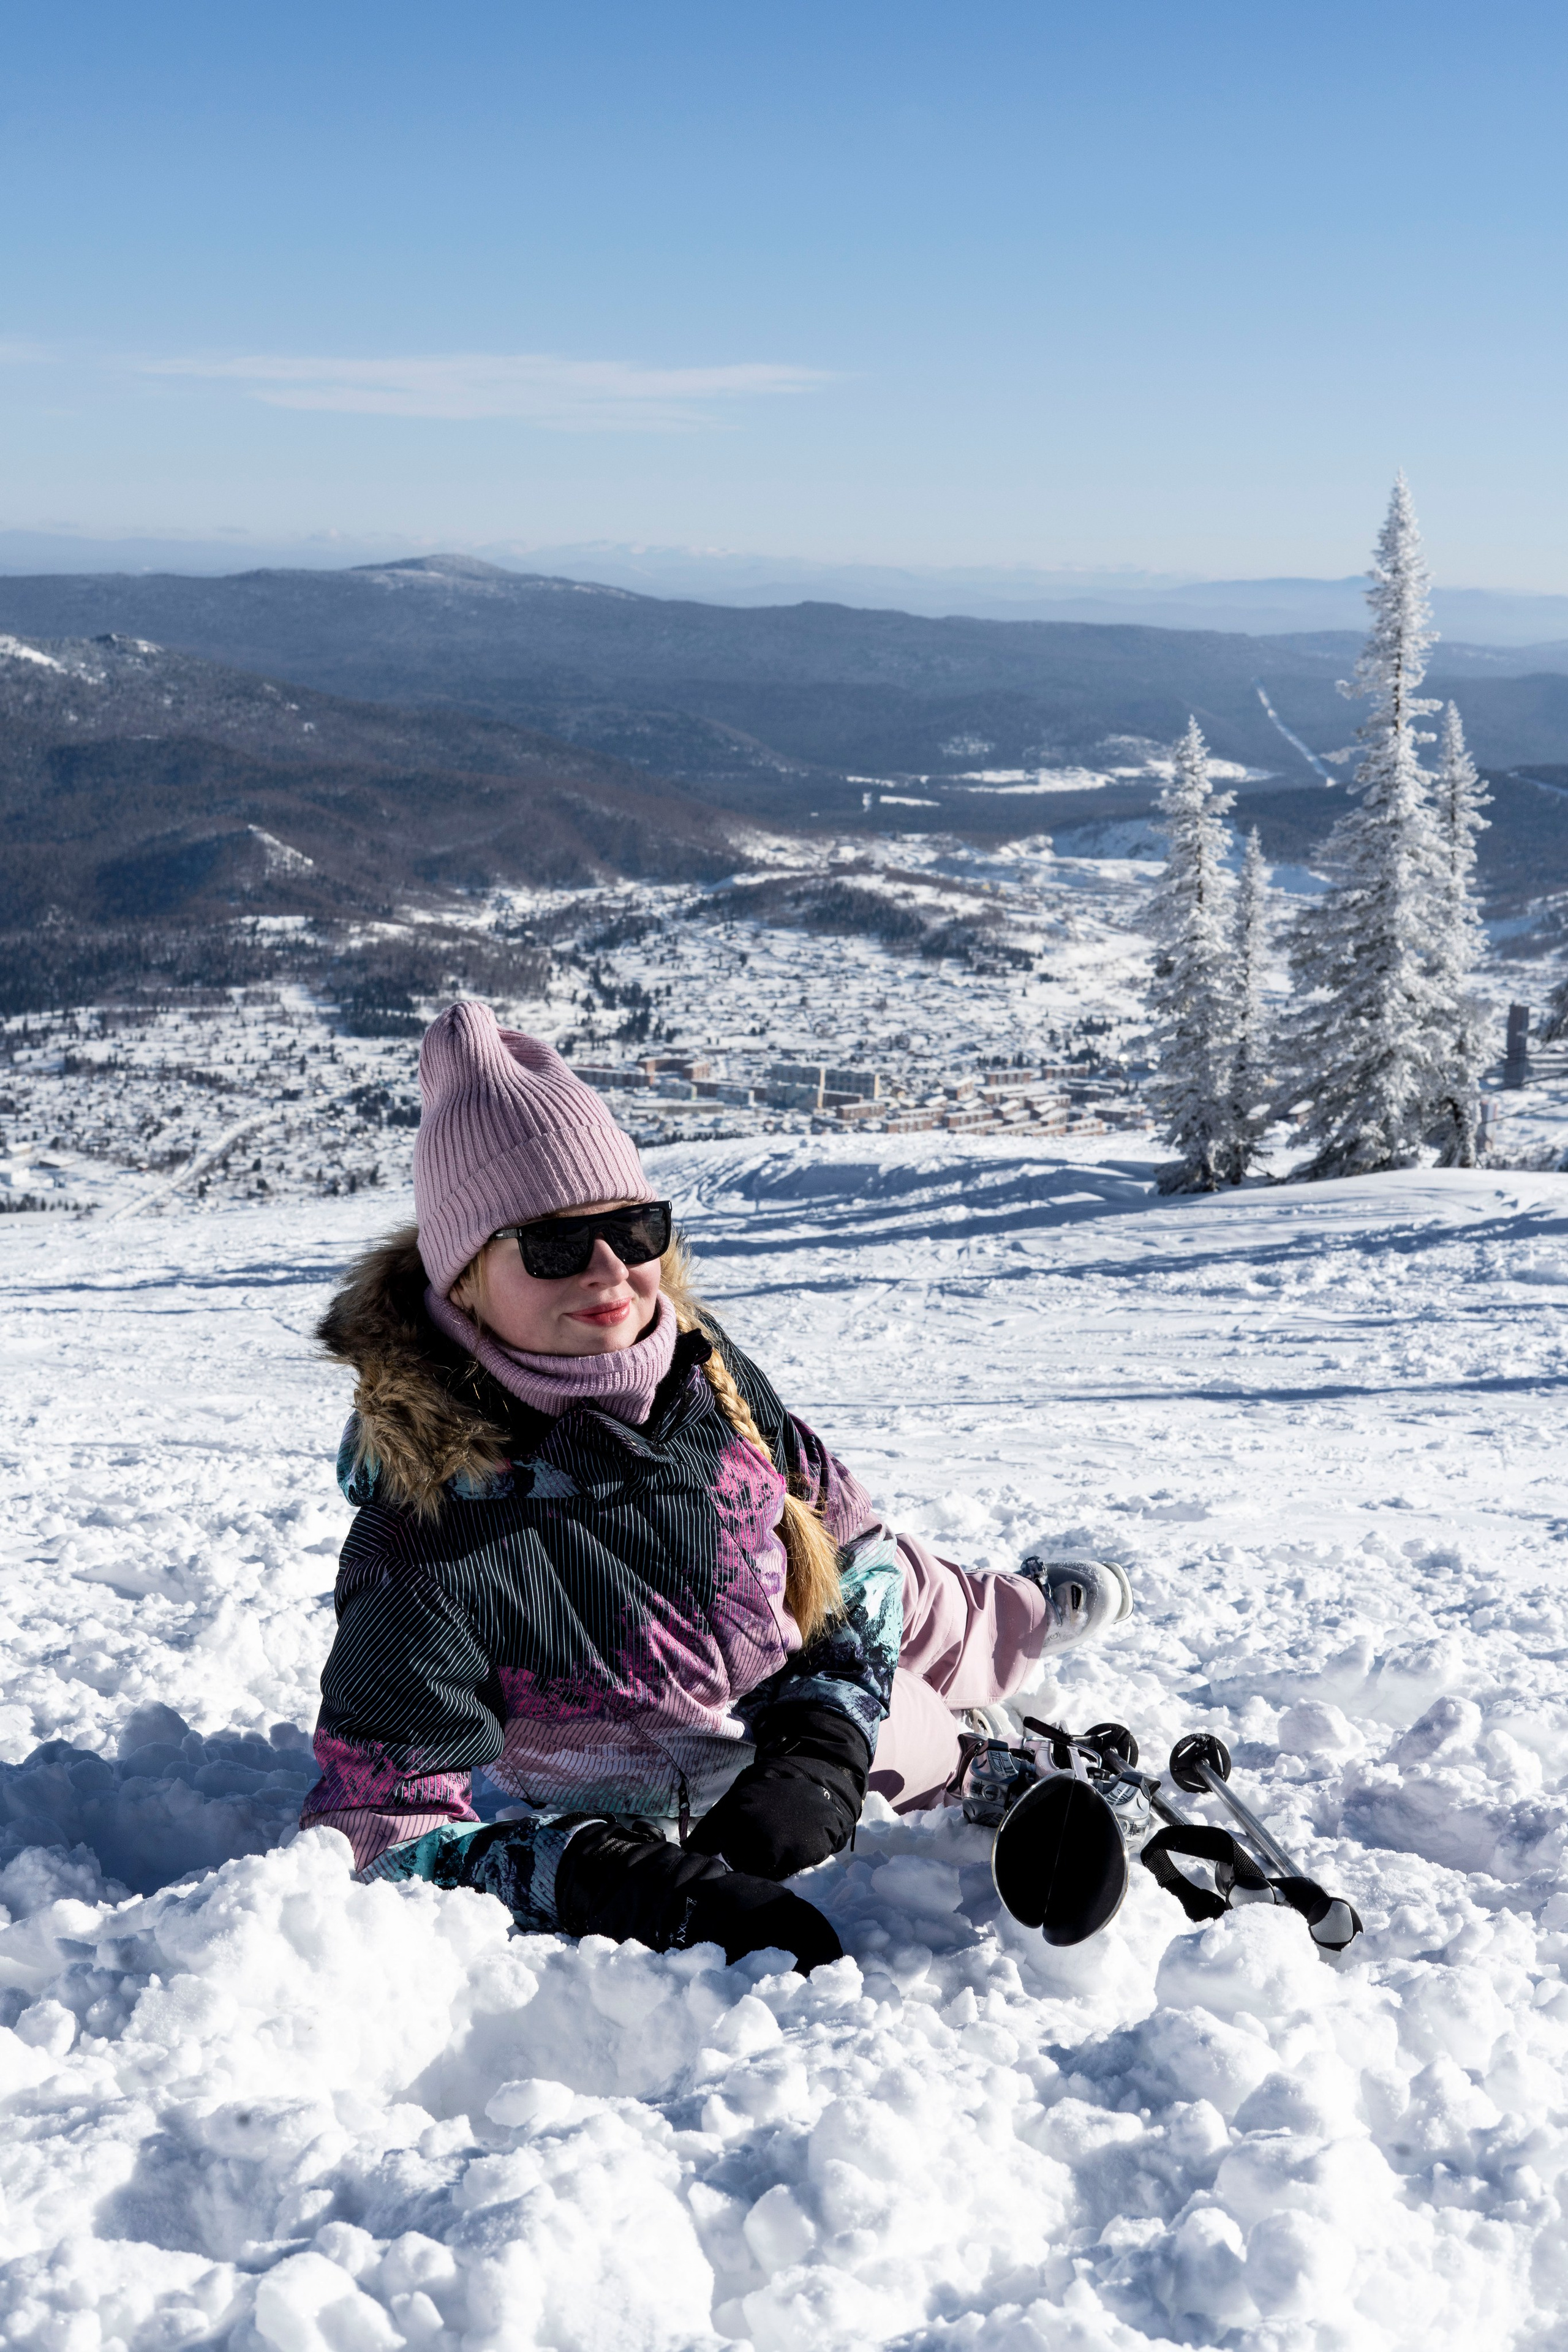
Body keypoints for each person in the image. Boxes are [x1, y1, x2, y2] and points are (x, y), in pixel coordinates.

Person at [300, 1001, 1131, 1973]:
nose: (609, 1267)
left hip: (789, 1615)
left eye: (633, 1225)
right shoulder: (427, 1549)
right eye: (554, 1244)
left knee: (919, 1594)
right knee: (901, 1728)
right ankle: (968, 1752)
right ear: (463, 1279)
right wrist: (604, 1876)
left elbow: (845, 1540)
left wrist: (821, 1723)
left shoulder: (695, 1367)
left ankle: (1019, 1615)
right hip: (704, 1750)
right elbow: (375, 1836)